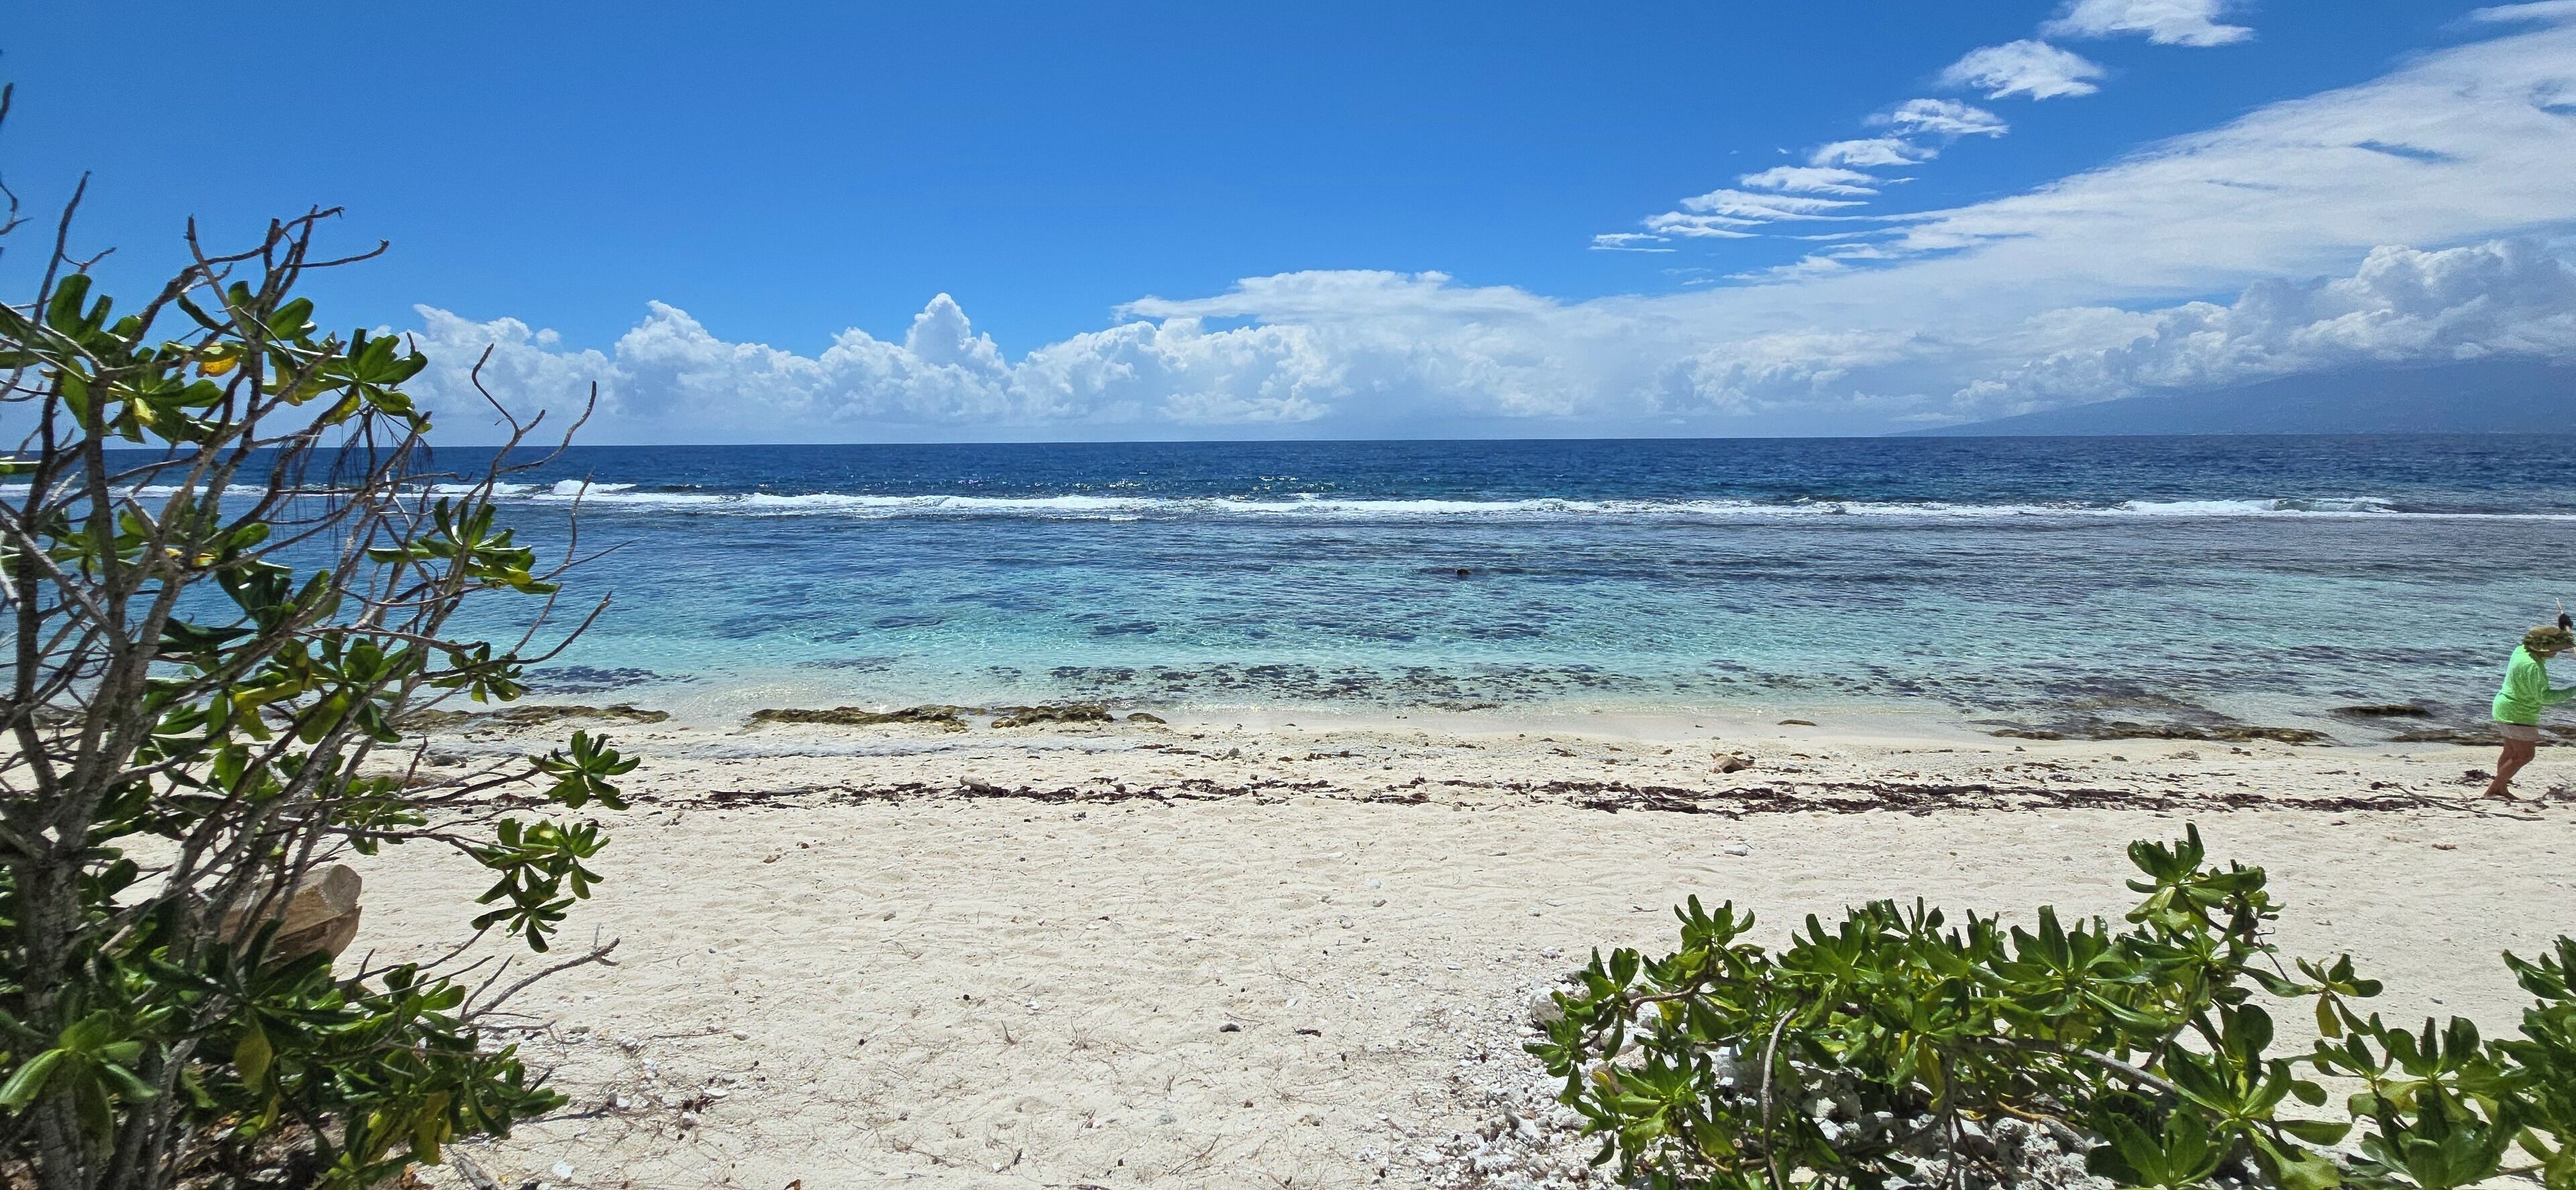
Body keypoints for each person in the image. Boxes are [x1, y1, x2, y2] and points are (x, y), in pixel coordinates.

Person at [2487, 622, 2576, 798]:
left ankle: (2502, 788)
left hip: (2504, 708)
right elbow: (2544, 697)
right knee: (2525, 755)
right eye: (2555, 649)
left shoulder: (2520, 650)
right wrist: (2573, 690)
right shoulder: (2534, 666)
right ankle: (2494, 790)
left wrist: (2564, 628)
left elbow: (2546, 637)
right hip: (2519, 714)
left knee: (2511, 752)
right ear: (2543, 649)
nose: (2557, 652)